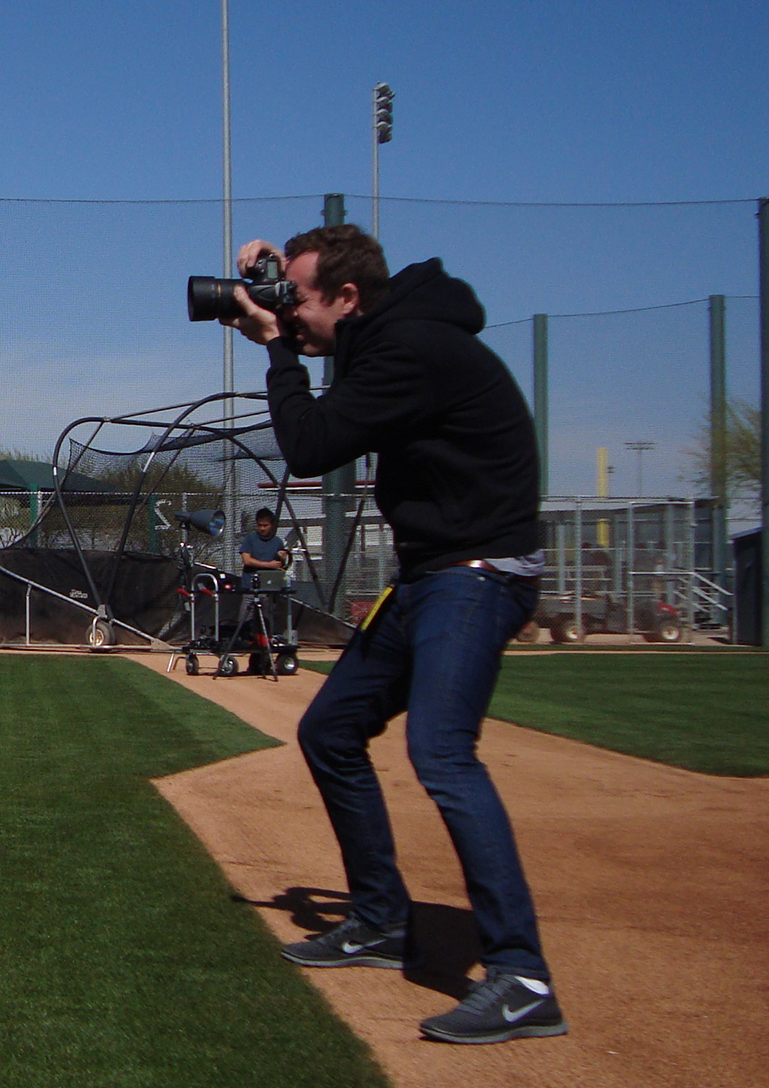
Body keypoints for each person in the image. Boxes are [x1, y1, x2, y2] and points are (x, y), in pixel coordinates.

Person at [224, 223, 564, 1045]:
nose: (286, 309)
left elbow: (308, 443)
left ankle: (521, 977)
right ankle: (379, 921)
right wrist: (275, 275)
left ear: (348, 297)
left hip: (479, 575)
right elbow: (334, 379)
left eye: (299, 296)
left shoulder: (407, 349)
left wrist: (277, 350)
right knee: (331, 731)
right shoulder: (387, 336)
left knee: (442, 753)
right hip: (433, 578)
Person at [239, 507, 291, 588]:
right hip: (250, 586)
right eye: (260, 525)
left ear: (271, 525)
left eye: (265, 525)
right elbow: (247, 560)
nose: (262, 528)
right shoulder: (250, 539)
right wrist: (268, 565)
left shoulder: (277, 542)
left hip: (269, 586)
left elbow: (280, 565)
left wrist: (282, 559)